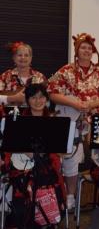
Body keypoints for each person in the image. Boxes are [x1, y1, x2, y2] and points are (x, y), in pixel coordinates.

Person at [47, 33, 99, 209]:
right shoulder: (66, 70)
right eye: (83, 47)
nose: (87, 51)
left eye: (90, 48)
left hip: (97, 122)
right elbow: (52, 93)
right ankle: (68, 196)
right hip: (71, 120)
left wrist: (91, 104)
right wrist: (74, 103)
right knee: (69, 159)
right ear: (77, 50)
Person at [2, 84, 65, 228]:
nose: (38, 101)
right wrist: (29, 152)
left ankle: (47, 217)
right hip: (23, 168)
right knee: (26, 183)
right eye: (33, 97)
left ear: (46, 99)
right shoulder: (18, 121)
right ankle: (27, 219)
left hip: (46, 166)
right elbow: (10, 148)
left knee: (47, 177)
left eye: (41, 97)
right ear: (27, 100)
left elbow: (59, 152)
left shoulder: (55, 122)